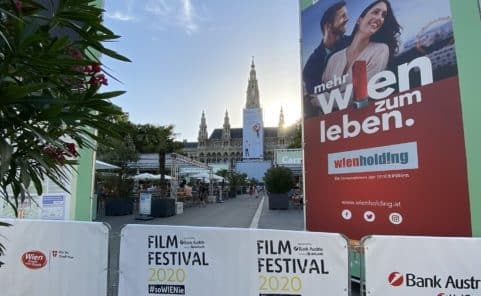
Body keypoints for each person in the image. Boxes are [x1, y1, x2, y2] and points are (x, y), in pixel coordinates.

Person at [321, 0, 400, 106]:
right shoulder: (334, 58)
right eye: (376, 12)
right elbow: (322, 92)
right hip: (338, 121)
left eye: (383, 15)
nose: (380, 18)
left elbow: (362, 94)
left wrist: (322, 101)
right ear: (359, 19)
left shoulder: (380, 49)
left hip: (367, 119)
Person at [303, 1, 350, 117]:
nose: (347, 19)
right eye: (343, 16)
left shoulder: (352, 43)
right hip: (333, 123)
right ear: (328, 25)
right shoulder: (310, 66)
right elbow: (315, 100)